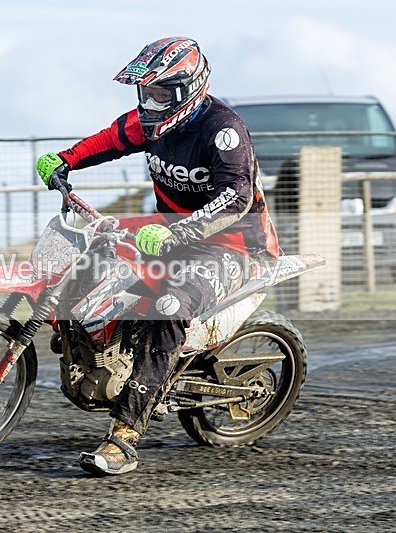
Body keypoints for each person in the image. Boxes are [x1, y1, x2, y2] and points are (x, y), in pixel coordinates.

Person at [35, 36, 280, 476]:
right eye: (147, 92)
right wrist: (65, 159)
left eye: (162, 93)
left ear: (190, 89)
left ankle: (125, 436)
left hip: (234, 246)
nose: (152, 101)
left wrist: (182, 230)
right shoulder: (150, 123)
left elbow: (236, 197)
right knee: (94, 255)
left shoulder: (223, 131)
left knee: (167, 307)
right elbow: (110, 139)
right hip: (169, 234)